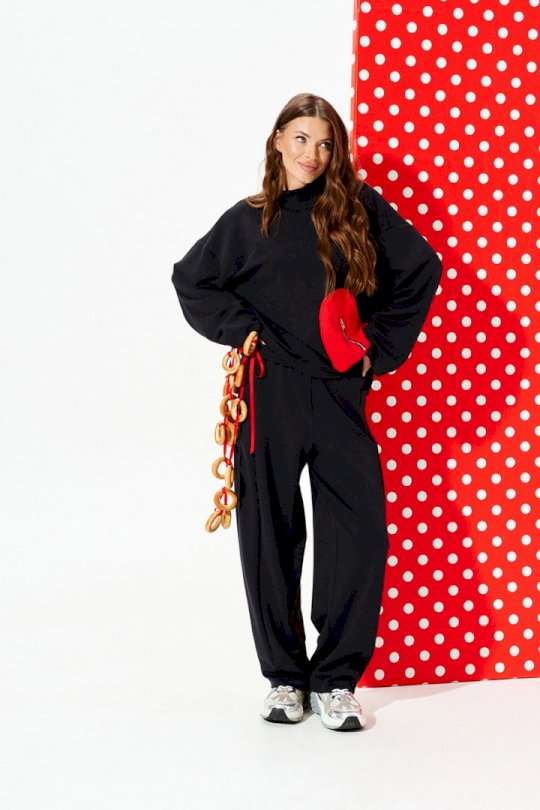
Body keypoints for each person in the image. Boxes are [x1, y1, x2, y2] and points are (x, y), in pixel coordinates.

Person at [171, 92, 443, 732]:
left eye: (325, 143)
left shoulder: (358, 209)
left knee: (358, 532)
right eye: (300, 139)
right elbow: (191, 278)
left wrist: (377, 349)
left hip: (340, 392)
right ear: (277, 141)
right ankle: (285, 678)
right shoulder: (249, 220)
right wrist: (245, 330)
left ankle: (337, 680)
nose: (312, 154)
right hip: (268, 393)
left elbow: (422, 268)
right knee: (269, 530)